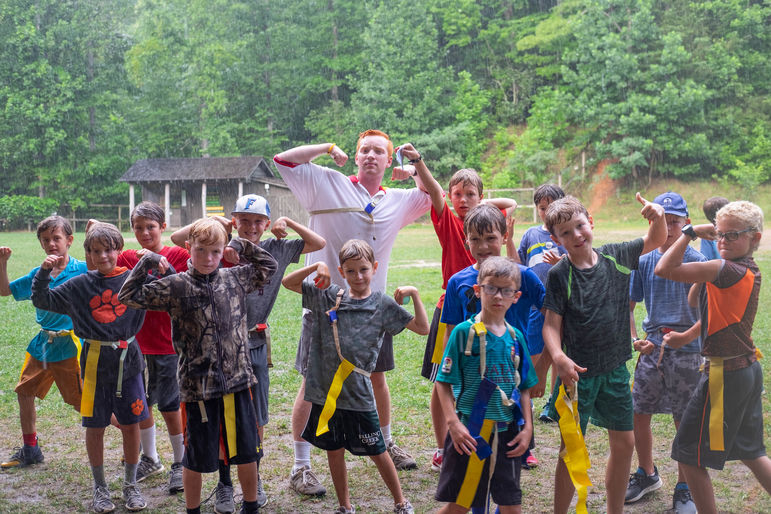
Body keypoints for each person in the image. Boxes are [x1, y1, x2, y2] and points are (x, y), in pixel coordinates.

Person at [273, 130, 432, 493]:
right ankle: (301, 466)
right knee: (312, 385)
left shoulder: (397, 199)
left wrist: (414, 168)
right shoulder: (327, 183)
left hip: (372, 309)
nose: (371, 155)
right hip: (326, 308)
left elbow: (431, 195)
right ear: (356, 157)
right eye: (365, 150)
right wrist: (328, 148)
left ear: (388, 160)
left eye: (379, 151)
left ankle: (386, 442)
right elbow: (283, 159)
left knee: (377, 377)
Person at [171, 194, 325, 512]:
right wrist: (213, 223)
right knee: (219, 414)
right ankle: (225, 484)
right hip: (218, 346)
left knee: (255, 416)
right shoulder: (220, 246)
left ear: (266, 224)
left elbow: (317, 243)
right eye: (244, 220)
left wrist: (289, 222)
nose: (251, 227)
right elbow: (176, 238)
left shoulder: (275, 248)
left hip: (254, 341)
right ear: (234, 220)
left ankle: (253, 479)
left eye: (258, 221)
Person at [118, 218, 277, 514]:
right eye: (201, 250)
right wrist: (148, 262)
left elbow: (270, 266)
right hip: (198, 389)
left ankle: (251, 506)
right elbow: (127, 296)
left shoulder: (235, 278)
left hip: (238, 383)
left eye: (216, 251)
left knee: (246, 453)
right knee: (195, 458)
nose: (208, 258)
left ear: (223, 250)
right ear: (188, 247)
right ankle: (193, 510)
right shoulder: (176, 286)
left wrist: (241, 246)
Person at [281, 238, 429, 514]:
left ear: (374, 268)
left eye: (363, 269)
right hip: (327, 395)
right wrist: (315, 266)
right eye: (350, 271)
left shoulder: (382, 304)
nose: (358, 276)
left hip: (359, 395)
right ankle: (344, 506)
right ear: (341, 271)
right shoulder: (328, 296)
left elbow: (422, 328)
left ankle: (401, 502)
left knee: (378, 450)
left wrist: (415, 294)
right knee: (333, 450)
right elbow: (287, 282)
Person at [541, 194, 666, 514]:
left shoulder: (616, 255)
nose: (576, 235)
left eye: (579, 226)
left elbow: (656, 239)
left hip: (615, 371)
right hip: (576, 378)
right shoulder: (559, 274)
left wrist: (658, 215)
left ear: (591, 222)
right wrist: (558, 357)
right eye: (565, 232)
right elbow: (551, 325)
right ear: (555, 239)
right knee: (572, 450)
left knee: (625, 444)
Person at [655, 200, 771, 514]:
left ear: (755, 238)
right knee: (751, 452)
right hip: (746, 369)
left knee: (687, 453)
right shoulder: (748, 270)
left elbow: (663, 268)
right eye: (720, 234)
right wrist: (686, 336)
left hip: (724, 374)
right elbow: (698, 301)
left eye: (733, 235)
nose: (724, 240)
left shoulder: (724, 268)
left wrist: (690, 233)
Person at [31, 222, 154, 513]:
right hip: (94, 364)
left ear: (118, 249)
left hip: (129, 363)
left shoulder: (134, 280)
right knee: (95, 425)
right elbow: (42, 298)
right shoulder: (80, 285)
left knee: (130, 423)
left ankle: (130, 484)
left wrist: (155, 260)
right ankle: (100, 488)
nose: (102, 256)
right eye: (95, 251)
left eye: (108, 250)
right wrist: (43, 273)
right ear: (88, 253)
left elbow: (169, 286)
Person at [412, 153, 517, 472]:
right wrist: (418, 162)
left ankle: (491, 440)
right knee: (441, 379)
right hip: (450, 311)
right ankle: (442, 446)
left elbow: (511, 203)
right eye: (456, 194)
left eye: (470, 194)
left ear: (481, 197)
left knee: (488, 374)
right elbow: (433, 190)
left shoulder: (488, 224)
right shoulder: (447, 219)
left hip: (490, 310)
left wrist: (481, 206)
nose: (462, 200)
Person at [440, 204, 545, 472]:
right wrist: (450, 368)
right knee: (474, 430)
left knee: (513, 410)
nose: (483, 246)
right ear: (466, 240)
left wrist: (544, 362)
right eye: (475, 239)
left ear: (504, 237)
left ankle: (523, 448)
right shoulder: (457, 282)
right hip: (473, 373)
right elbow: (451, 331)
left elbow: (552, 314)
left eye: (490, 238)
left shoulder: (525, 277)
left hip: (510, 365)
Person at [434, 256, 536, 513]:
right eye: (491, 288)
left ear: (516, 296)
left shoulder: (516, 337)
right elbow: (442, 383)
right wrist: (453, 424)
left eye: (506, 290)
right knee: (460, 506)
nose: (498, 296)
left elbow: (524, 387)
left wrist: (527, 428)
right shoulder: (463, 333)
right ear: (478, 290)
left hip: (508, 434)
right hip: (469, 433)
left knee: (511, 506)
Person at [625, 192, 705, 513]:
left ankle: (685, 487)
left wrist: (688, 339)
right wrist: (635, 339)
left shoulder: (697, 261)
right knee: (638, 411)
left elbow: (709, 314)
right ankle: (647, 473)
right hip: (653, 346)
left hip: (688, 350)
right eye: (663, 221)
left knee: (684, 419)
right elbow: (628, 306)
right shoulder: (644, 260)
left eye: (675, 221)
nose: (669, 228)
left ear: (687, 223)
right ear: (651, 223)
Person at [112, 201, 190, 493]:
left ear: (163, 227)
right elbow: (100, 266)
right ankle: (151, 457)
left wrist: (158, 261)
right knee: (140, 404)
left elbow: (183, 288)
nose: (145, 233)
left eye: (151, 227)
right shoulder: (127, 258)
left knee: (170, 406)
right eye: (138, 228)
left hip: (168, 345)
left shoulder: (178, 255)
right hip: (135, 346)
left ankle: (180, 462)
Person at [0, 216, 87, 469]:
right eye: (46, 240)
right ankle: (31, 449)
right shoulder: (38, 274)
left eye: (56, 238)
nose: (51, 244)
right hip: (42, 345)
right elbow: (5, 290)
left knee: (83, 403)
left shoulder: (82, 269)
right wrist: (2, 263)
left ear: (69, 241)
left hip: (70, 346)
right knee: (24, 392)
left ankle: (131, 434)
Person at [516, 183, 566, 424]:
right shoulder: (531, 234)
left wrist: (561, 261)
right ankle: (528, 395)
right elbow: (518, 263)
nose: (547, 212)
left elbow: (579, 263)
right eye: (542, 208)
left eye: (552, 207)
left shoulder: (567, 233)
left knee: (558, 354)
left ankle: (554, 403)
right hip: (536, 306)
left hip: (563, 306)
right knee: (533, 351)